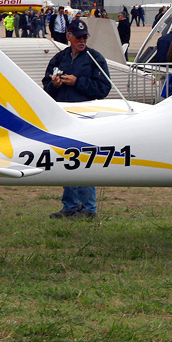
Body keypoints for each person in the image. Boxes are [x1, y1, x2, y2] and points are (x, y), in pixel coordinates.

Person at [42, 18, 112, 219]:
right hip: (63, 117)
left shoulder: (95, 58)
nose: (82, 40)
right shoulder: (59, 58)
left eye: (84, 37)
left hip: (87, 118)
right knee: (67, 162)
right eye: (78, 37)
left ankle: (89, 209)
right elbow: (46, 87)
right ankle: (70, 206)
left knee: (86, 163)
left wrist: (77, 82)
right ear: (69, 37)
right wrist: (54, 85)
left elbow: (103, 88)